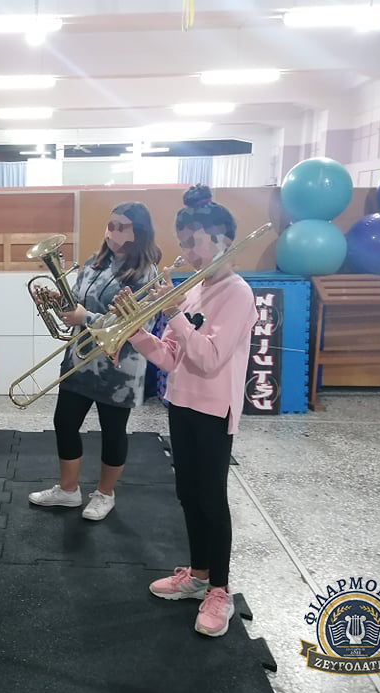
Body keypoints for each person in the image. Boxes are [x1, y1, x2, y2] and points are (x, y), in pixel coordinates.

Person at [120, 184, 257, 637]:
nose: (187, 252)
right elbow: (171, 357)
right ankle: (198, 576)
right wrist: (135, 330)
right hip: (180, 403)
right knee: (188, 494)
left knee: (212, 499)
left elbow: (211, 358)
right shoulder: (194, 289)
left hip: (214, 410)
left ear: (221, 239)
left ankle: (220, 589)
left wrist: (175, 310)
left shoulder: (237, 293)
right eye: (183, 242)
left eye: (193, 241)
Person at [28, 202, 160, 521]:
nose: (112, 232)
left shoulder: (147, 274)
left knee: (113, 431)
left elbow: (138, 324)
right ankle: (68, 490)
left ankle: (105, 494)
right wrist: (55, 299)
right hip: (81, 359)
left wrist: (84, 317)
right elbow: (77, 302)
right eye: (110, 225)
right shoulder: (94, 262)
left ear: (138, 232)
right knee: (64, 422)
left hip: (118, 368)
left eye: (121, 227)